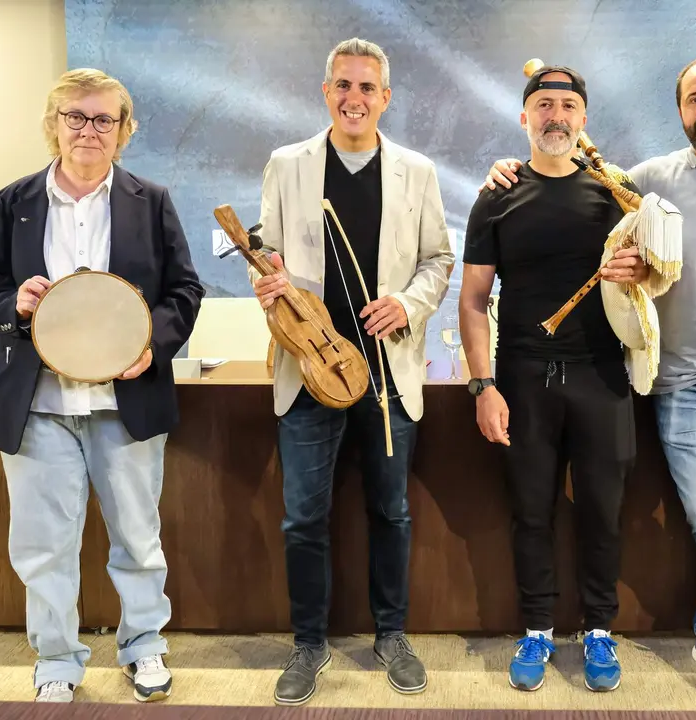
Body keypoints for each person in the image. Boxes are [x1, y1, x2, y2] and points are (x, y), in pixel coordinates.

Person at [480, 55, 696, 700]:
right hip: (673, 376)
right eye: (695, 99)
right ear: (680, 111)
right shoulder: (647, 180)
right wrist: (504, 169)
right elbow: (627, 234)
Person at [0, 68, 204, 704]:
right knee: (42, 545)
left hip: (124, 402)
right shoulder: (14, 202)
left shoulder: (151, 200)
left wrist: (149, 345)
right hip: (37, 403)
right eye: (76, 117)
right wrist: (12, 303)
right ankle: (57, 662)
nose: (89, 130)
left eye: (104, 119)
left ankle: (145, 647)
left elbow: (184, 290)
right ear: (54, 124)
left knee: (138, 539)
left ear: (124, 131)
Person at [249, 37, 454, 706]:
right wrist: (268, 283)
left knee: (390, 511)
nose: (354, 97)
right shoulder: (287, 165)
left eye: (367, 87)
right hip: (311, 367)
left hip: (388, 373)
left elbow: (438, 261)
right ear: (325, 92)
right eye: (343, 85)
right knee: (303, 517)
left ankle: (390, 634)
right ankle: (309, 643)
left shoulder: (417, 171)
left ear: (385, 98)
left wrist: (407, 303)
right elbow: (267, 250)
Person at [460, 65, 650, 694]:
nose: (556, 116)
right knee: (531, 512)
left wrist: (642, 268)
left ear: (584, 119)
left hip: (602, 376)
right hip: (522, 378)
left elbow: (659, 275)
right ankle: (537, 628)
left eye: (568, 106)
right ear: (525, 118)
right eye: (544, 105)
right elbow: (472, 299)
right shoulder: (497, 194)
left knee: (602, 511)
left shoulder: (615, 192)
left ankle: (599, 629)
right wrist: (483, 388)